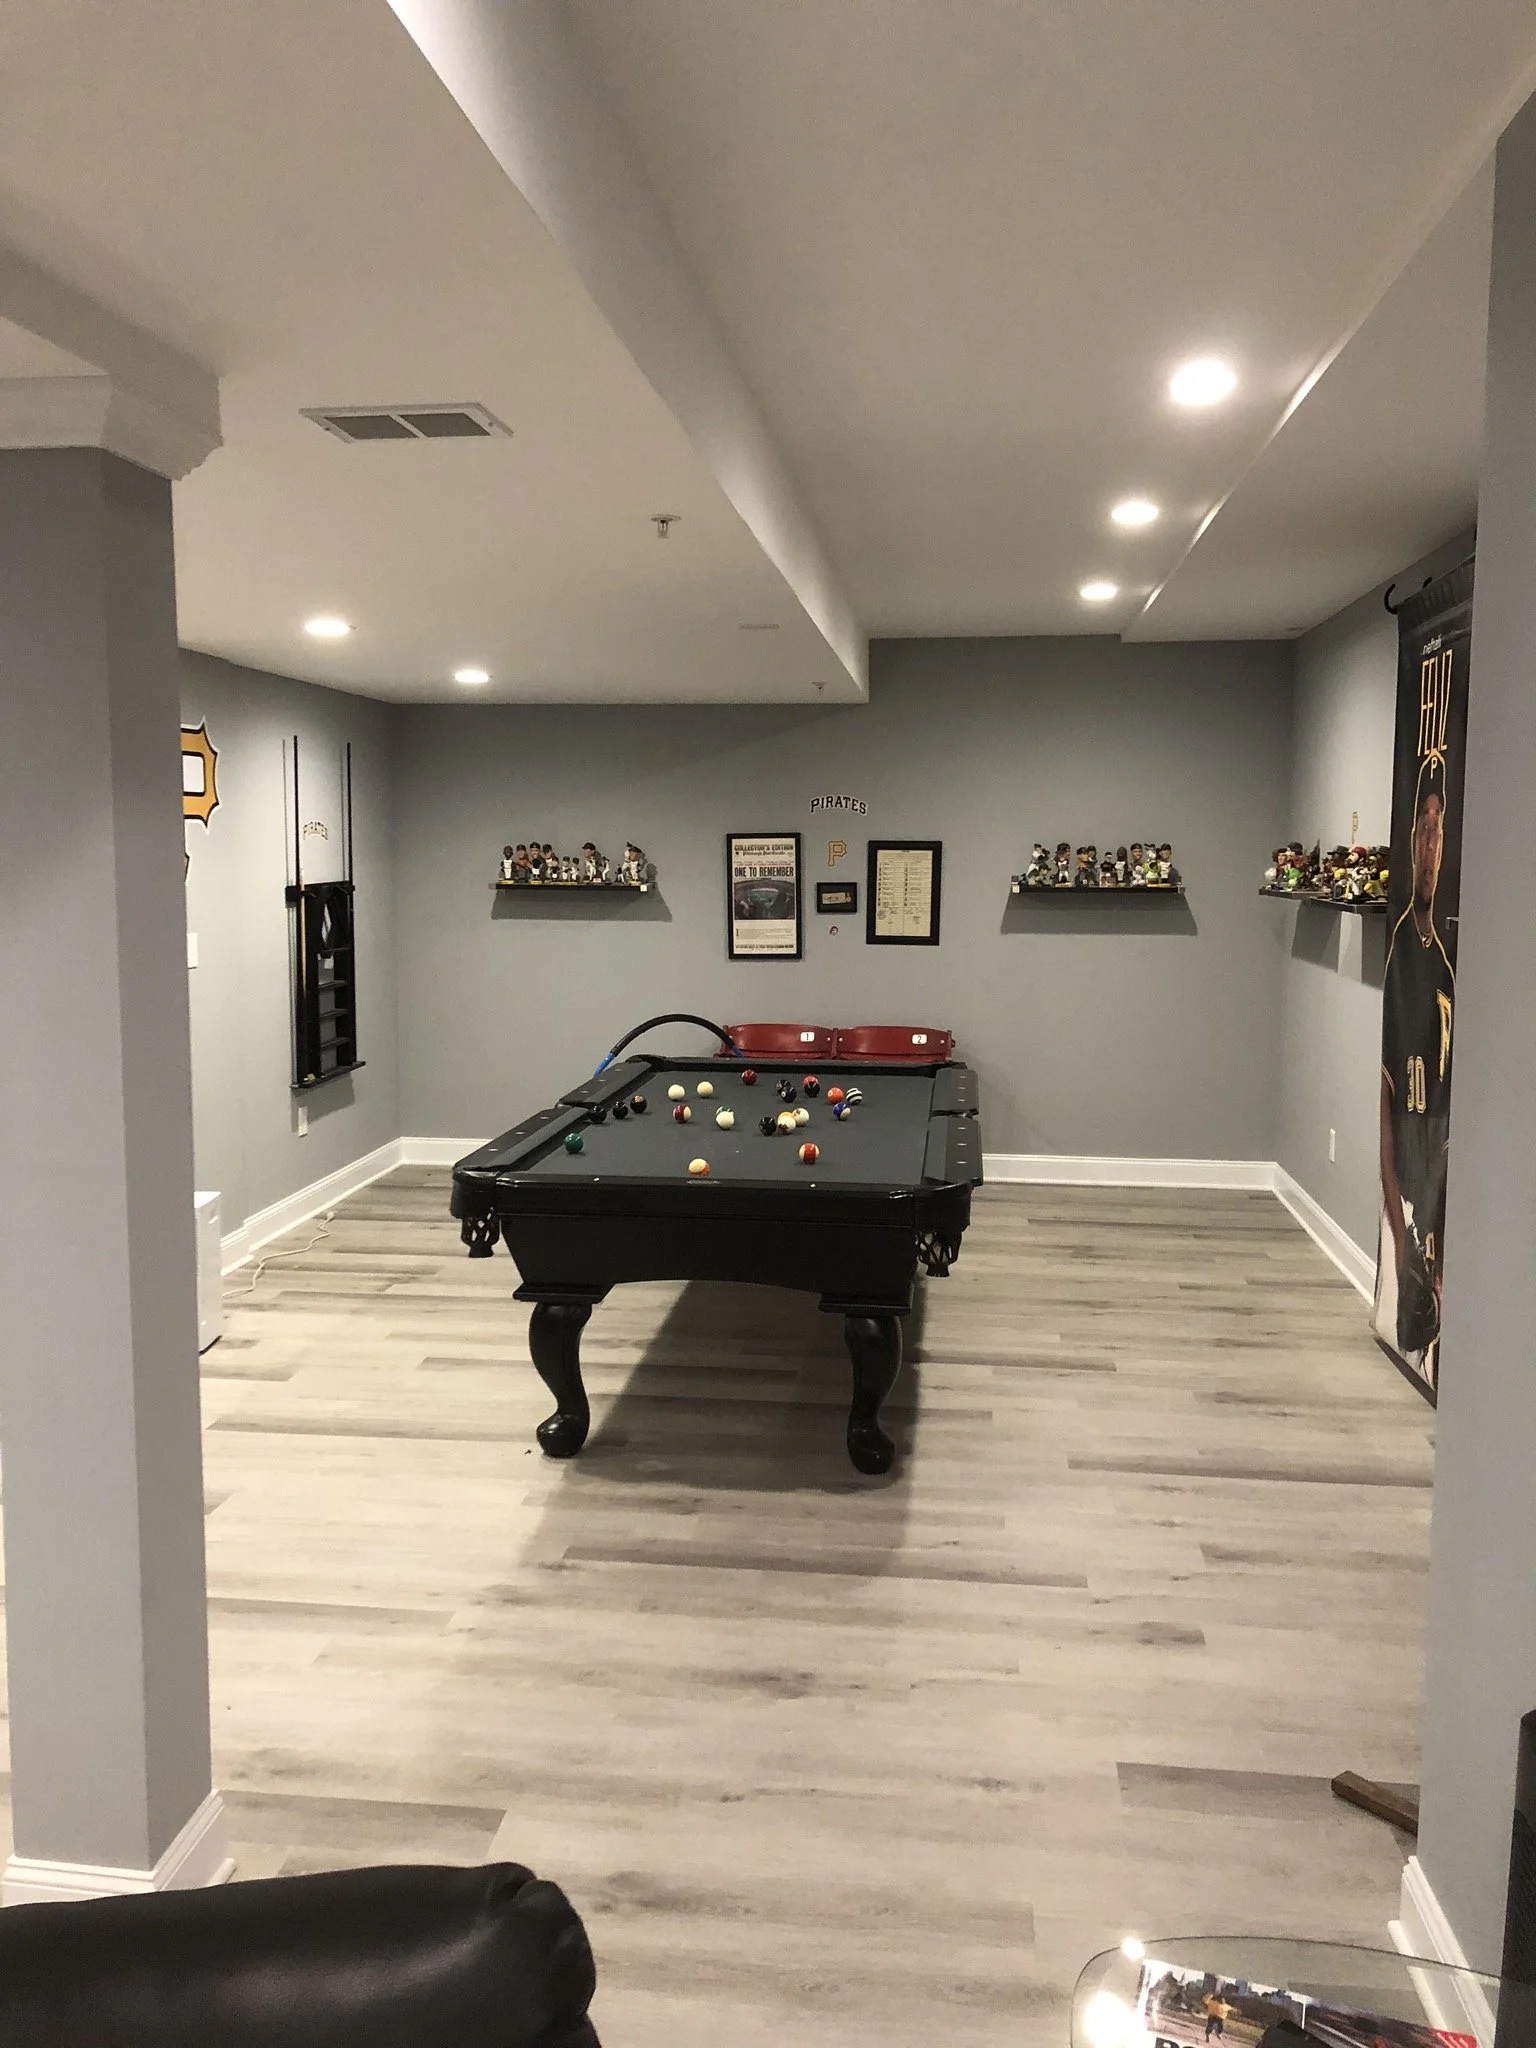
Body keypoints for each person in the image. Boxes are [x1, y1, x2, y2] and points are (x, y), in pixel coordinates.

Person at [1378, 751, 1455, 1362]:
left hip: (1441, 1143)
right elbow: (1385, 1088)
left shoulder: (1450, 963)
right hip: (1409, 1136)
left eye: (1438, 827)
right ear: (1411, 843)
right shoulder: (1400, 946)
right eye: (1422, 829)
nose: (1430, 843)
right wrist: (1401, 1236)